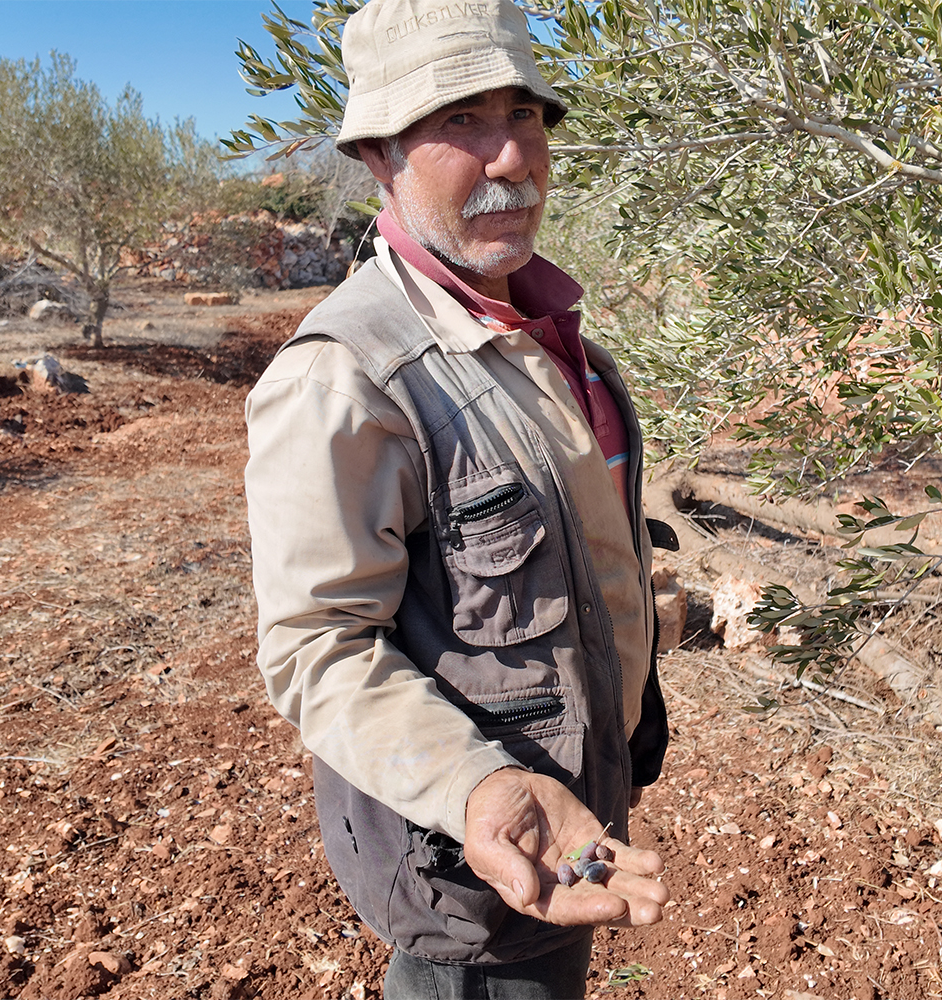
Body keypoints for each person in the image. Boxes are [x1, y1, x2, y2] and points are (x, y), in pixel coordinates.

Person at [243, 0, 672, 996]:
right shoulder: (346, 378)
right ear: (380, 158)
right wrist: (478, 785)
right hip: (475, 862)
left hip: (573, 819)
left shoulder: (557, 340)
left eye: (525, 114)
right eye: (462, 123)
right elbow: (317, 644)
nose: (513, 157)